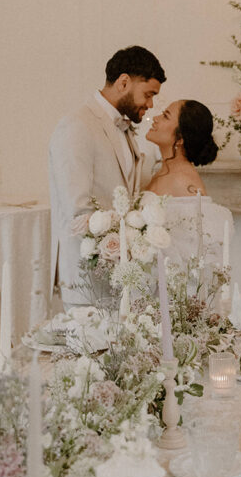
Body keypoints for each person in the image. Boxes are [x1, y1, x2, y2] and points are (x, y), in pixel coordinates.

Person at [48, 45, 165, 307]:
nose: (150, 104)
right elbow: (77, 211)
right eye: (148, 94)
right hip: (86, 280)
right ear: (124, 82)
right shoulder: (76, 126)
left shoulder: (124, 128)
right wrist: (120, 251)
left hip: (119, 282)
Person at [144, 99, 233, 280]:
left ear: (181, 138)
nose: (155, 118)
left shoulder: (184, 182)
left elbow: (193, 257)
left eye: (165, 116)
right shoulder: (162, 170)